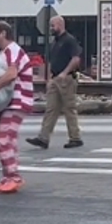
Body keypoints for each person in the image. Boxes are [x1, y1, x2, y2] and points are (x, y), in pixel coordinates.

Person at [0, 21, 33, 194]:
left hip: (17, 100)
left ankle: (13, 177)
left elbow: (11, 74)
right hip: (13, 102)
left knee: (3, 139)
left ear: (3, 33)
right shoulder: (7, 52)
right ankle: (9, 176)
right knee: (9, 139)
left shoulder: (12, 50)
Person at [29, 14, 84, 150]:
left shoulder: (69, 40)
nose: (51, 28)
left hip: (66, 79)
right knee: (51, 109)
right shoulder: (55, 42)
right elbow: (50, 61)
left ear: (60, 25)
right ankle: (43, 137)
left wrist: (64, 73)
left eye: (53, 25)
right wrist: (49, 78)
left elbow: (76, 59)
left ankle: (75, 137)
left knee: (69, 108)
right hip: (55, 78)